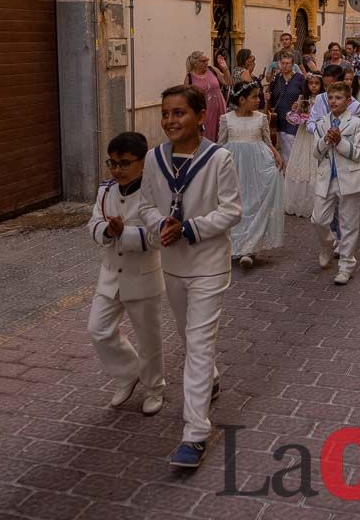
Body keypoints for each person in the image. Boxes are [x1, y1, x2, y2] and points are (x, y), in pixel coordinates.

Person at [138, 85, 242, 469]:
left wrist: (189, 228)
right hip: (173, 264)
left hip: (209, 264)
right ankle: (211, 377)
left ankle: (194, 433)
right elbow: (146, 204)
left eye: (179, 113)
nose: (170, 121)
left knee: (197, 344)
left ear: (201, 116)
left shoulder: (219, 159)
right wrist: (160, 223)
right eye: (165, 113)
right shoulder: (154, 158)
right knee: (187, 334)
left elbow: (232, 210)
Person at [88, 132, 166, 416]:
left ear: (142, 163)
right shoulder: (106, 190)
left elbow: (161, 237)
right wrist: (108, 230)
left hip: (144, 276)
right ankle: (128, 374)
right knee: (98, 329)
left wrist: (127, 234)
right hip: (110, 276)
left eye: (124, 163)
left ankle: (154, 387)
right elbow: (93, 223)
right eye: (112, 163)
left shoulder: (155, 192)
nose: (117, 170)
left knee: (149, 339)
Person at [219, 81, 284, 267]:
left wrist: (276, 155)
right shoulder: (226, 119)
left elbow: (266, 140)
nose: (259, 100)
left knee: (255, 204)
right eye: (254, 96)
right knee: (238, 204)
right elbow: (220, 143)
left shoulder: (261, 118)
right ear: (241, 99)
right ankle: (237, 246)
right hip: (235, 166)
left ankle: (250, 249)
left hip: (258, 165)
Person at [311, 81, 360, 286]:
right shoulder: (321, 123)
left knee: (348, 223)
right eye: (331, 98)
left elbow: (359, 153)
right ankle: (327, 245)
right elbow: (316, 153)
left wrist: (340, 142)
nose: (334, 101)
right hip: (326, 178)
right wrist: (326, 140)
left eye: (338, 98)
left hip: (349, 178)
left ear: (348, 100)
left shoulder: (356, 123)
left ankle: (346, 265)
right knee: (318, 219)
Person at [284, 73, 325, 217]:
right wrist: (296, 109)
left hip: (317, 133)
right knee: (302, 163)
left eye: (316, 83)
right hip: (303, 134)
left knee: (315, 163)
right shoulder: (302, 98)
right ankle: (299, 200)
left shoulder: (323, 99)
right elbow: (296, 115)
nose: (313, 86)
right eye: (311, 83)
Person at [269, 52, 306, 160]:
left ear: (293, 64)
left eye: (288, 63)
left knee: (292, 150)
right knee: (281, 151)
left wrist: (299, 104)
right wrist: (268, 97)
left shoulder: (299, 78)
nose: (285, 65)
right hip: (278, 119)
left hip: (293, 120)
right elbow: (271, 96)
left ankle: (292, 173)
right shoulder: (276, 79)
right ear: (279, 63)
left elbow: (304, 96)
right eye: (283, 63)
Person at [185, 51, 228, 141]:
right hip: (204, 112)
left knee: (222, 136)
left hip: (219, 109)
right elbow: (186, 98)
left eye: (207, 60)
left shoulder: (212, 70)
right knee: (206, 137)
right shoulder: (189, 77)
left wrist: (225, 69)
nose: (206, 62)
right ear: (195, 63)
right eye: (203, 61)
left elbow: (227, 82)